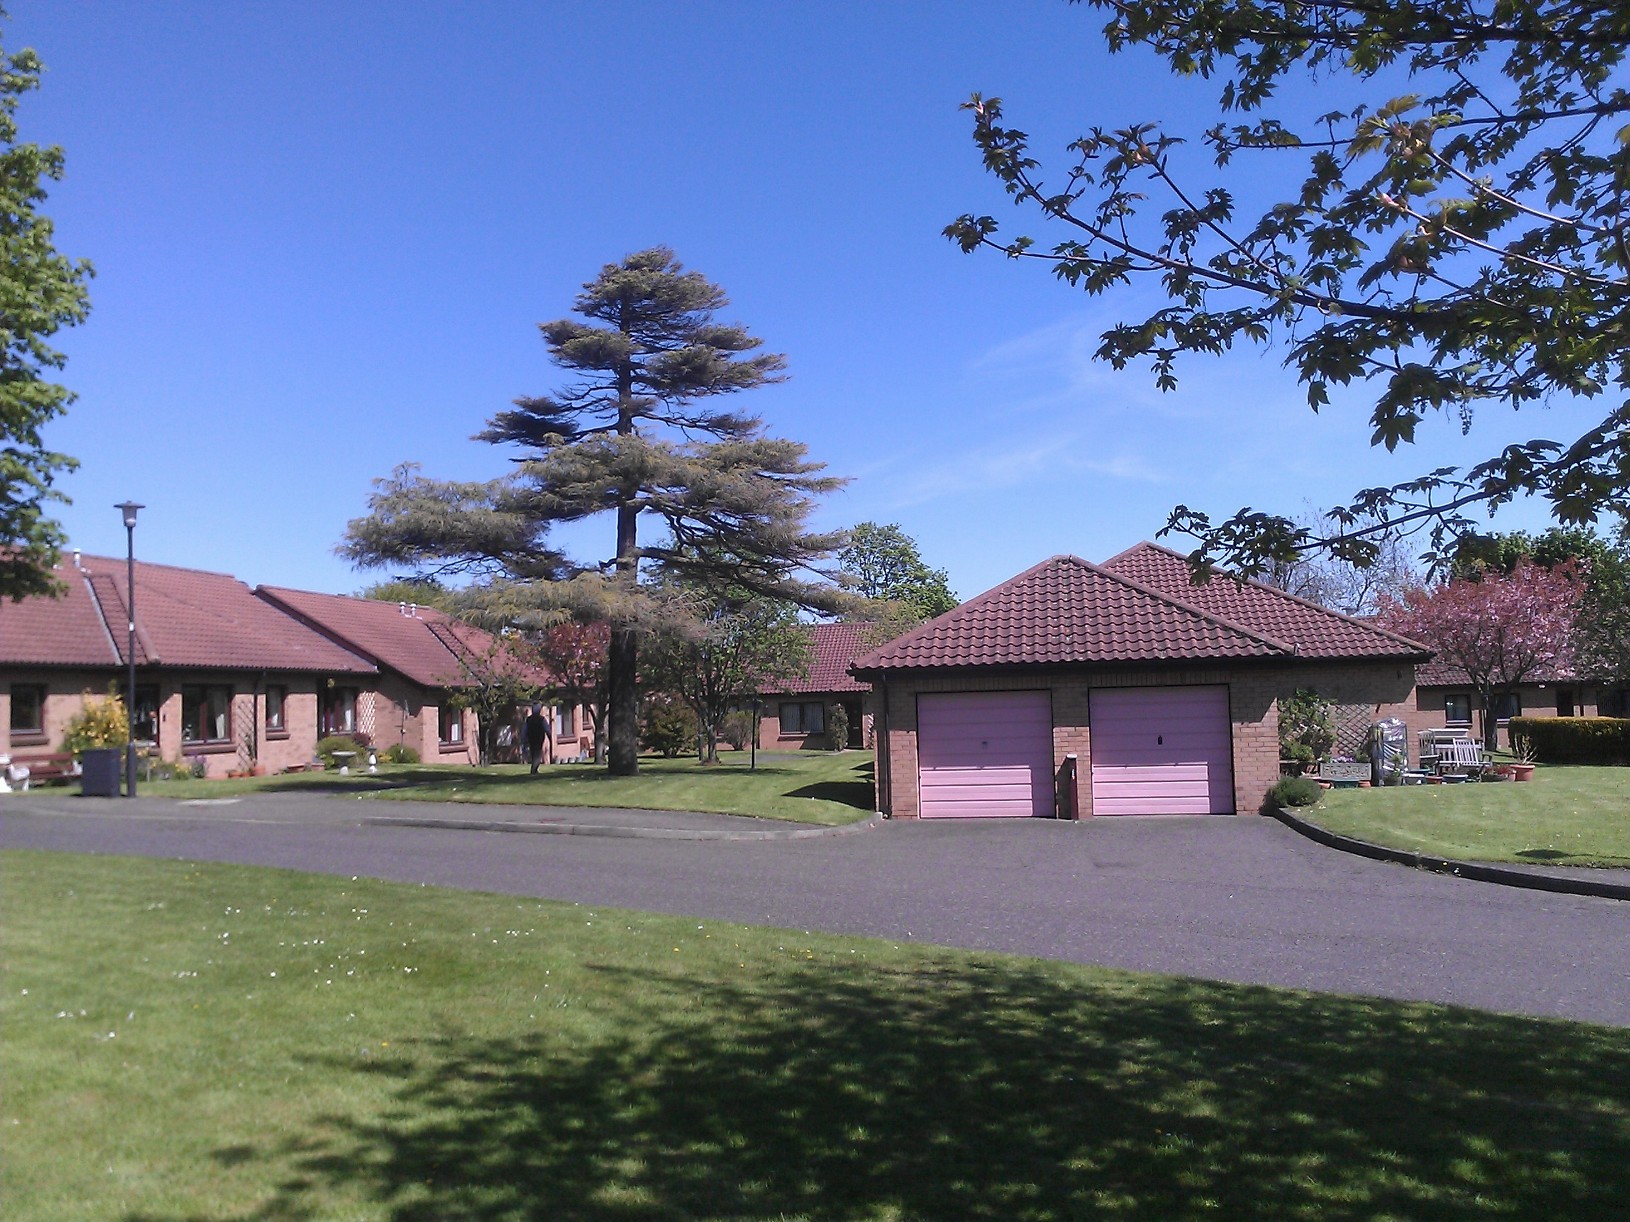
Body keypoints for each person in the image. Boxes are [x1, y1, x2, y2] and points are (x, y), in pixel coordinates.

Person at [524, 705, 550, 774]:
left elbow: (525, 730)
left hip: (531, 738)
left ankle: (535, 770)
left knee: (533, 754)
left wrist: (524, 739)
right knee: (538, 754)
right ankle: (533, 769)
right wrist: (550, 737)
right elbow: (547, 729)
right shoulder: (541, 719)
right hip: (539, 738)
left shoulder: (529, 719)